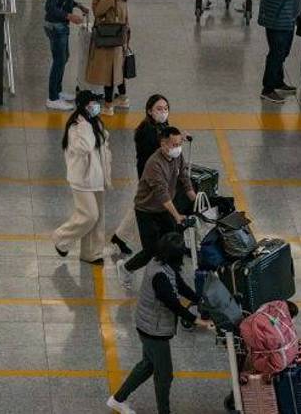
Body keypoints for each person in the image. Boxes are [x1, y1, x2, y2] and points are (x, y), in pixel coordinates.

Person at [105, 232, 200, 414]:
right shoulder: (160, 276)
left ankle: (117, 399)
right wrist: (196, 319)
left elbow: (180, 286)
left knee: (148, 365)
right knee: (164, 375)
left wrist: (199, 299)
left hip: (147, 324)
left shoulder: (159, 262)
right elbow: (173, 303)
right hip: (154, 331)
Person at [115, 127, 196, 289]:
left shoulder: (177, 155)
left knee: (172, 241)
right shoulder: (154, 164)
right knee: (150, 250)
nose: (178, 148)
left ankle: (170, 273)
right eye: (174, 144)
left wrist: (195, 198)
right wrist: (177, 215)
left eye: (179, 143)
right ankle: (125, 268)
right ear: (163, 144)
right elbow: (162, 195)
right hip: (147, 210)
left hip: (163, 209)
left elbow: (184, 177)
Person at [51, 90, 113, 263]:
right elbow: (84, 147)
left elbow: (104, 149)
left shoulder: (96, 123)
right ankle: (61, 238)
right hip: (82, 180)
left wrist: (106, 175)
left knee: (98, 218)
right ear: (84, 106)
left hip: (97, 178)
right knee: (89, 215)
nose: (96, 106)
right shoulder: (76, 127)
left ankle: (91, 253)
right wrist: (85, 125)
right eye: (92, 103)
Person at [110, 95, 173, 256]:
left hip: (158, 175)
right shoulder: (147, 131)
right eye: (159, 109)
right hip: (150, 177)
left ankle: (120, 237)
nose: (163, 112)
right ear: (149, 111)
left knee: (141, 206)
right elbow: (158, 153)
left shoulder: (161, 125)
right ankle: (166, 241)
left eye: (166, 108)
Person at [44, 0, 88, 111]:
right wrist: (70, 16)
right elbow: (50, 7)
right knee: (59, 60)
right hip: (56, 26)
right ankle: (52, 98)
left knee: (64, 57)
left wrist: (77, 5)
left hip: (61, 25)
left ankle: (58, 90)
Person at [86, 0, 130, 114]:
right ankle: (123, 98)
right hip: (120, 36)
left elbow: (97, 11)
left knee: (108, 72)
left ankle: (108, 105)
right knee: (118, 69)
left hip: (108, 37)